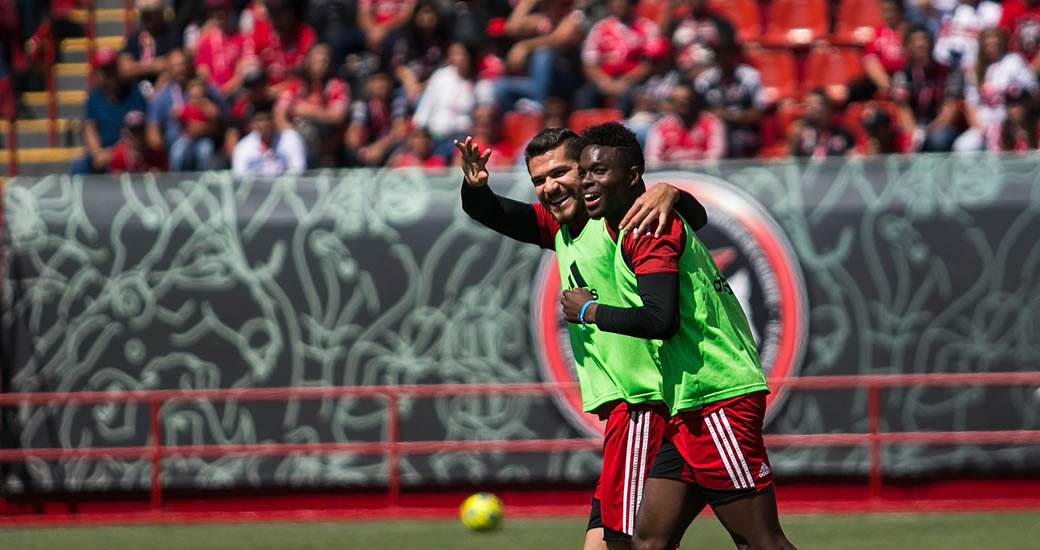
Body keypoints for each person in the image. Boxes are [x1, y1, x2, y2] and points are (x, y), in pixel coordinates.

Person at [457, 129, 716, 550]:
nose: (549, 186)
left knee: (627, 544)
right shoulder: (561, 229)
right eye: (539, 179)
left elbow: (693, 219)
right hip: (629, 415)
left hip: (645, 407)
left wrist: (672, 193)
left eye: (561, 172)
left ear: (589, 173)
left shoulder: (618, 220)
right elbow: (496, 213)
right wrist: (475, 186)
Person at [559, 122, 796, 550]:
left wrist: (588, 312)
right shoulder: (633, 219)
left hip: (716, 398)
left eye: (599, 171)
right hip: (688, 404)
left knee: (760, 541)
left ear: (632, 177)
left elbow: (659, 320)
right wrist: (672, 191)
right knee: (648, 541)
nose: (587, 181)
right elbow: (696, 216)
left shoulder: (644, 228)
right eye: (583, 171)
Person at [69, 48, 148, 175]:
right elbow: (90, 128)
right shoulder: (93, 97)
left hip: (128, 150)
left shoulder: (134, 94)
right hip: (101, 152)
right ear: (98, 73)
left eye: (111, 69)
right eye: (104, 71)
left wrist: (112, 153)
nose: (108, 75)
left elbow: (138, 131)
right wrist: (97, 154)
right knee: (79, 167)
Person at [576, 0, 658, 112]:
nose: (621, 4)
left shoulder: (646, 27)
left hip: (633, 80)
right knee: (583, 95)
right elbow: (588, 63)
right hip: (605, 79)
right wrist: (605, 82)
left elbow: (648, 64)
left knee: (631, 95)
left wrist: (624, 82)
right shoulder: (599, 28)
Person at [644, 80, 725, 167]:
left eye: (687, 99)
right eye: (677, 101)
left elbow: (715, 157)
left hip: (703, 177)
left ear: (695, 100)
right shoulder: (661, 127)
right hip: (670, 176)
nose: (683, 104)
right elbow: (652, 160)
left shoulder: (711, 123)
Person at [118, 0, 184, 92]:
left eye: (150, 14)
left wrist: (156, 95)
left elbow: (174, 67)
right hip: (138, 95)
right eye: (143, 14)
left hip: (165, 94)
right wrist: (155, 65)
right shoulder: (134, 38)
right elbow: (124, 69)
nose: (146, 18)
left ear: (160, 13)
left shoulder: (173, 35)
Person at [232, 101, 307, 177]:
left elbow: (298, 171)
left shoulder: (291, 138)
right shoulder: (243, 147)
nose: (266, 123)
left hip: (285, 187)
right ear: (252, 124)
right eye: (260, 119)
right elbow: (239, 177)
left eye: (269, 118)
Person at [787, 89, 856, 159]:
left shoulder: (844, 134)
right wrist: (794, 143)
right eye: (808, 105)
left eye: (819, 103)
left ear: (828, 107)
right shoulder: (800, 131)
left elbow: (852, 157)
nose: (814, 108)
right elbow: (791, 160)